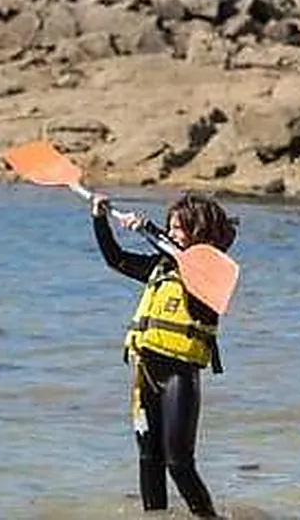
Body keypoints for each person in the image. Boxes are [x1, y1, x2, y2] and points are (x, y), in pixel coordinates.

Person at [91, 190, 237, 518]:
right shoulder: (160, 266)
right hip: (146, 375)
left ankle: (208, 517)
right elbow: (115, 258)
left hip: (179, 378)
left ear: (200, 234)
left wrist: (149, 229)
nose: (172, 233)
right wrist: (99, 220)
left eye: (179, 228)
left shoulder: (212, 276)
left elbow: (194, 274)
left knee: (178, 463)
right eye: (169, 227)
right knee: (149, 458)